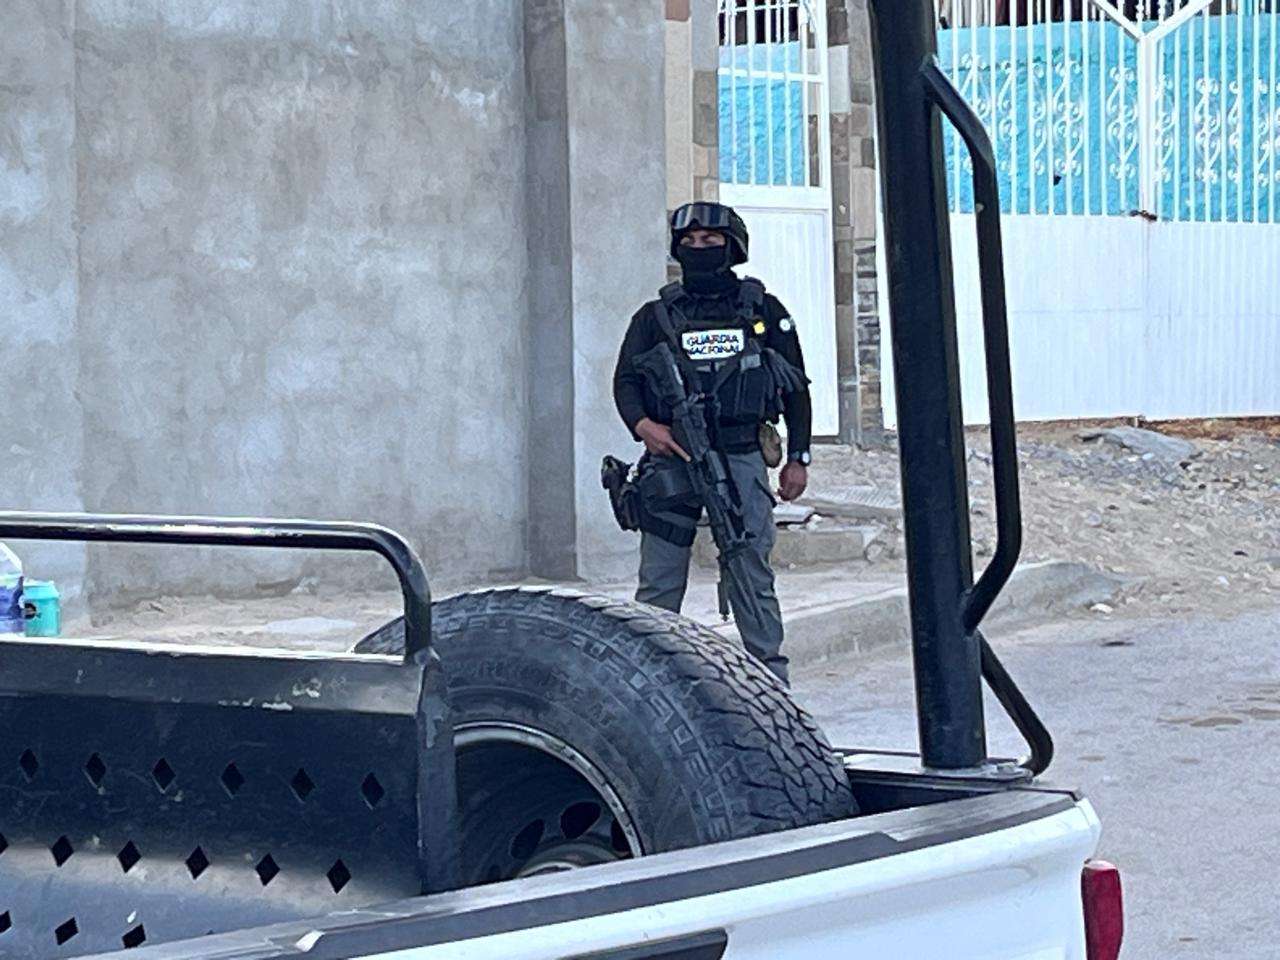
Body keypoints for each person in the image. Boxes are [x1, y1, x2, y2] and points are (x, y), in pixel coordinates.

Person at [611, 201, 812, 683]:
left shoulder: (762, 311)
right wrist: (644, 426)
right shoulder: (655, 316)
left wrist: (799, 457)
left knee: (749, 567)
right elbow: (625, 381)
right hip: (672, 459)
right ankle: (650, 683)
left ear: (732, 246)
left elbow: (796, 387)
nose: (699, 248)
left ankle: (770, 681)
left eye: (710, 240)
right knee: (659, 579)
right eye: (689, 241)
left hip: (742, 456)